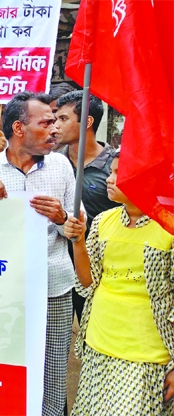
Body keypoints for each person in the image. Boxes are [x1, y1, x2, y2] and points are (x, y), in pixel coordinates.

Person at [0, 91, 76, 416]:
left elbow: (75, 228)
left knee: (54, 376)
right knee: (6, 368)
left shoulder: (61, 167)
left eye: (57, 120)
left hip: (54, 289)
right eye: (46, 123)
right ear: (19, 128)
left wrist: (62, 218)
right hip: (4, 294)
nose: (55, 129)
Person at [64, 150, 174, 416]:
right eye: (111, 172)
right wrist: (78, 241)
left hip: (148, 350)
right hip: (100, 342)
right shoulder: (103, 221)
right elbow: (89, 282)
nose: (109, 179)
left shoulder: (168, 226)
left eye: (118, 173)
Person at [54, 91, 118, 322]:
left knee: (93, 330)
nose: (55, 125)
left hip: (99, 269)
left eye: (63, 119)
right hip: (56, 264)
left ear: (87, 122)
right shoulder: (51, 163)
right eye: (54, 118)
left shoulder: (115, 167)